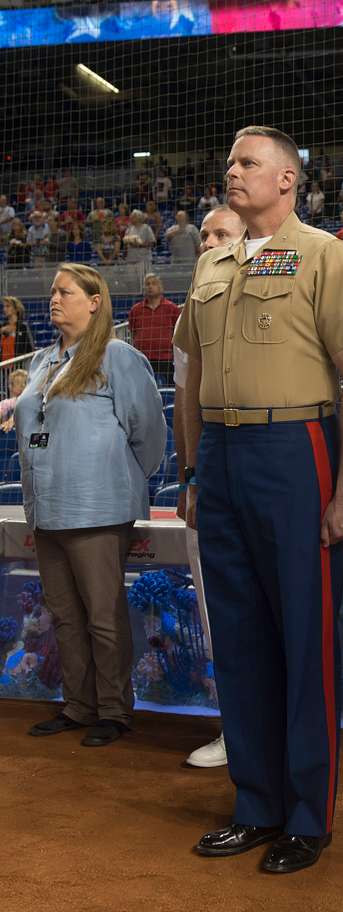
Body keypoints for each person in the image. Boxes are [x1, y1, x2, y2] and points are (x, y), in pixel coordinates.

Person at [176, 125, 343, 872]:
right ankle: (254, 804)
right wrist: (193, 471)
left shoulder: (328, 255)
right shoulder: (212, 264)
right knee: (236, 637)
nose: (231, 171)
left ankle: (306, 816)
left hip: (296, 450)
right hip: (224, 455)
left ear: (288, 179)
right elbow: (191, 380)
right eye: (228, 159)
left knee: (304, 639)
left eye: (247, 162)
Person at [16, 264, 165, 746]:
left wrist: (115, 481)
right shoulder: (42, 360)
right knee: (64, 614)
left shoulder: (117, 355)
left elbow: (149, 434)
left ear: (95, 300)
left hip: (97, 507)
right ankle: (78, 705)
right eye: (52, 292)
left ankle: (115, 709)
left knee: (103, 615)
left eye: (65, 291)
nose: (53, 299)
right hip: (47, 507)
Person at [171, 204, 246, 770]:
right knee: (214, 608)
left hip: (271, 468)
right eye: (204, 236)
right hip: (209, 476)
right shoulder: (193, 308)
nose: (209, 243)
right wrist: (187, 477)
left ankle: (282, 731)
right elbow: (184, 404)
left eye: (222, 234)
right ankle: (235, 727)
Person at [128, 274, 181, 380]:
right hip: (142, 358)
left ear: (160, 287)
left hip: (166, 359)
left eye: (154, 283)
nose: (150, 287)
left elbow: (178, 332)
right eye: (147, 284)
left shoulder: (172, 308)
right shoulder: (135, 310)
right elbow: (133, 331)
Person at [1, 296, 35, 362]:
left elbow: (30, 349)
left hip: (18, 365)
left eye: (8, 306)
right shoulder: (2, 327)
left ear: (16, 309)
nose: (4, 309)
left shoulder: (23, 327)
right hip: (3, 366)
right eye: (4, 306)